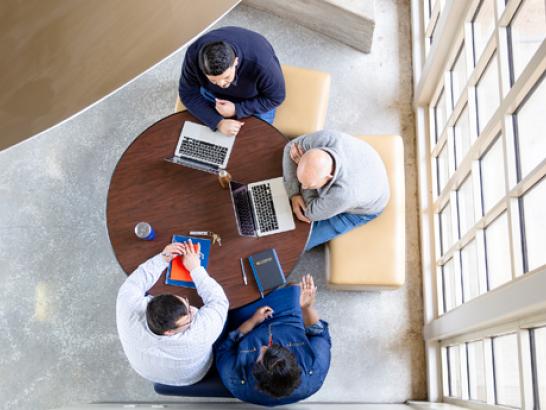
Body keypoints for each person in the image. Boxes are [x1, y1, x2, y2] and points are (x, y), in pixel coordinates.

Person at [116, 240, 228, 386]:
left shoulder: (127, 306)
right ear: (169, 332)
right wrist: (195, 268)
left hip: (146, 370)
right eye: (189, 316)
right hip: (189, 377)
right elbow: (219, 301)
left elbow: (138, 280)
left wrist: (163, 258)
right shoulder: (198, 336)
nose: (193, 310)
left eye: (186, 303)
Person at [215, 275, 331, 406]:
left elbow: (224, 348)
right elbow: (320, 334)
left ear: (256, 373)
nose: (264, 346)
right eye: (278, 348)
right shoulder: (314, 373)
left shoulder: (235, 380)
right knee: (296, 288)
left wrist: (252, 322)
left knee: (234, 289)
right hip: (288, 318)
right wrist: (306, 307)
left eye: (261, 355)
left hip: (247, 323)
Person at [282, 130, 390, 250]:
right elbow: (289, 148)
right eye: (302, 182)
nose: (303, 187)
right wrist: (294, 193)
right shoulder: (325, 138)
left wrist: (298, 187)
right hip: (365, 163)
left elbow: (309, 212)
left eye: (309, 185)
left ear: (328, 177)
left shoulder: (343, 194)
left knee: (298, 243)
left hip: (366, 208)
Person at [178, 26, 286, 137]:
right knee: (200, 135)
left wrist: (237, 109)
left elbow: (277, 97)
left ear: (236, 62)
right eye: (213, 80)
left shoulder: (263, 64)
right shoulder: (193, 56)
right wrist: (218, 122)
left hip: (254, 100)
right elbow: (187, 93)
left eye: (226, 77)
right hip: (213, 95)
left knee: (254, 139)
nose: (221, 84)